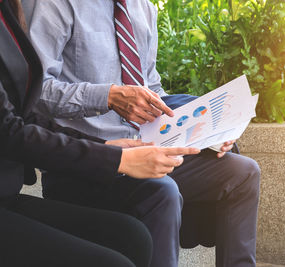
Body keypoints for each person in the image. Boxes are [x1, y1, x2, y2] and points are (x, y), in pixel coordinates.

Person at [25, 0, 261, 266]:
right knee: (162, 190)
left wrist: (209, 131)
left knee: (243, 173)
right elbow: (33, 90)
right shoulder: (54, 4)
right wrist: (108, 96)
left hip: (147, 150)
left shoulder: (143, 7)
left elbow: (153, 88)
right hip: (86, 160)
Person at [0, 0, 200, 266]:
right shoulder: (52, 6)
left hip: (11, 193)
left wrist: (106, 146)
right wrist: (116, 159)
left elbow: (22, 116)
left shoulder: (8, 12)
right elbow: (12, 130)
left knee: (134, 237)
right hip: (53, 177)